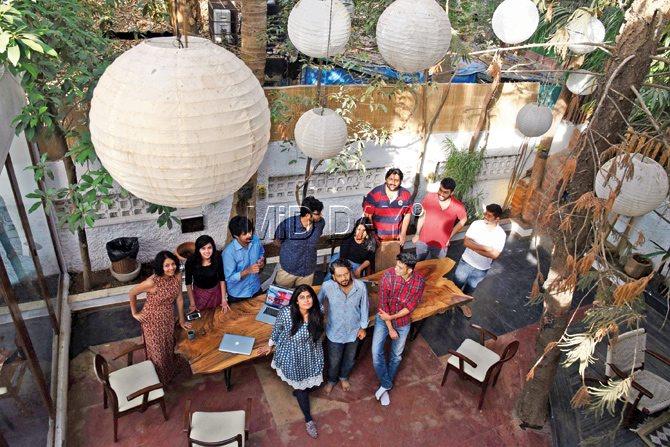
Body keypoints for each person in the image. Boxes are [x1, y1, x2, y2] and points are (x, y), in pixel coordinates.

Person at [258, 285, 325, 439]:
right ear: (295, 301)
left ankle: (300, 391)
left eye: (309, 297)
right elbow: (277, 330)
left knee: (313, 383)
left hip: (311, 353)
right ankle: (308, 419)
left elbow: (320, 330)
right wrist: (269, 345)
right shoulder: (286, 313)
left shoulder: (318, 310)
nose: (307, 300)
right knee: (301, 387)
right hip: (292, 355)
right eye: (302, 297)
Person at [128, 251, 191, 384]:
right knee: (158, 353)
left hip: (167, 317)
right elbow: (132, 292)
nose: (171, 268)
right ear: (160, 267)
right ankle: (160, 380)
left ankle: (169, 371)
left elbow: (179, 299)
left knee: (168, 345)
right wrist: (134, 313)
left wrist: (181, 320)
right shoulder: (152, 283)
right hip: (152, 320)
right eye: (166, 265)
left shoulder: (177, 276)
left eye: (173, 264)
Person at [372, 252, 425, 407]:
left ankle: (384, 386)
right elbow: (382, 305)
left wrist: (392, 318)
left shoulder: (419, 281)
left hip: (401, 320)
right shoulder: (388, 277)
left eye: (400, 267)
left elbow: (410, 306)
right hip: (383, 318)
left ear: (409, 270)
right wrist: (390, 327)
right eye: (396, 264)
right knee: (376, 352)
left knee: (396, 355)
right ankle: (387, 384)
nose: (395, 268)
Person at [317, 259, 369, 394]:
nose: (344, 278)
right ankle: (332, 380)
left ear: (350, 272)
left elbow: (364, 308)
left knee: (350, 359)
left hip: (354, 331)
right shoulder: (327, 286)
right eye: (339, 276)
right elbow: (318, 303)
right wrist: (321, 316)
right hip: (334, 332)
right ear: (333, 277)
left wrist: (363, 327)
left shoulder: (361, 286)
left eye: (346, 274)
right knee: (334, 361)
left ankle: (343, 377)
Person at [453, 203, 506, 318]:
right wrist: (486, 248)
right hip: (466, 261)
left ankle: (462, 304)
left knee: (470, 289)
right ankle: (449, 303)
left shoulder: (501, 234)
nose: (485, 217)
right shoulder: (476, 224)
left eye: (489, 215)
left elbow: (495, 254)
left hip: (481, 269)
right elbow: (466, 242)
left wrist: (475, 247)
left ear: (497, 218)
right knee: (456, 284)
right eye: (485, 213)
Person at [363, 168, 412, 271]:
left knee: (395, 267)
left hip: (395, 238)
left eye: (396, 180)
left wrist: (403, 234)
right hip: (378, 238)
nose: (393, 183)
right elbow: (368, 216)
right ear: (386, 179)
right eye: (390, 179)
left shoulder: (406, 195)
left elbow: (407, 214)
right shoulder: (375, 193)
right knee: (376, 268)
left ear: (400, 181)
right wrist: (372, 236)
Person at [273, 196, 325, 288]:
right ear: (308, 215)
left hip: (308, 271)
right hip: (287, 271)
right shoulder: (288, 224)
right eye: (318, 213)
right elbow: (277, 241)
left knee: (302, 298)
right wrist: (290, 253)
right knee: (281, 298)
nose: (321, 215)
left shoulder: (320, 223)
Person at [413, 177, 467, 261]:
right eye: (440, 190)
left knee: (436, 268)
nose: (441, 194)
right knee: (419, 265)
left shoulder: (458, 206)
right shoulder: (429, 197)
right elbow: (422, 215)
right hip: (423, 240)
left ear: (452, 192)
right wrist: (417, 234)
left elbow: (463, 219)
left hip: (442, 244)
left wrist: (450, 236)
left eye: (445, 192)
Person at [222, 216, 265, 302]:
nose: (249, 235)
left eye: (250, 231)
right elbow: (229, 278)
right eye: (244, 234)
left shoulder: (255, 240)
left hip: (256, 288)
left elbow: (261, 254)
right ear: (236, 236)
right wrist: (247, 271)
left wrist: (261, 262)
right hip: (238, 295)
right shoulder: (228, 253)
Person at [185, 235, 229, 312]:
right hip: (199, 294)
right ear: (198, 249)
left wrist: (224, 299)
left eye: (209, 248)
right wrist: (192, 303)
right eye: (203, 248)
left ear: (213, 247)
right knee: (203, 316)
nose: (207, 251)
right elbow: (188, 283)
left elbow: (222, 279)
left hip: (215, 293)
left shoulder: (217, 256)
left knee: (216, 313)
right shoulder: (191, 261)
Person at [324, 217, 375, 281]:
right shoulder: (348, 239)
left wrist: (359, 269)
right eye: (359, 229)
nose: (360, 233)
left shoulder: (371, 241)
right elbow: (343, 258)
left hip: (357, 264)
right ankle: (325, 285)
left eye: (364, 230)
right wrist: (349, 271)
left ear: (368, 231)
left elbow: (370, 258)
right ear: (355, 229)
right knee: (332, 273)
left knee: (351, 281)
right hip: (343, 258)